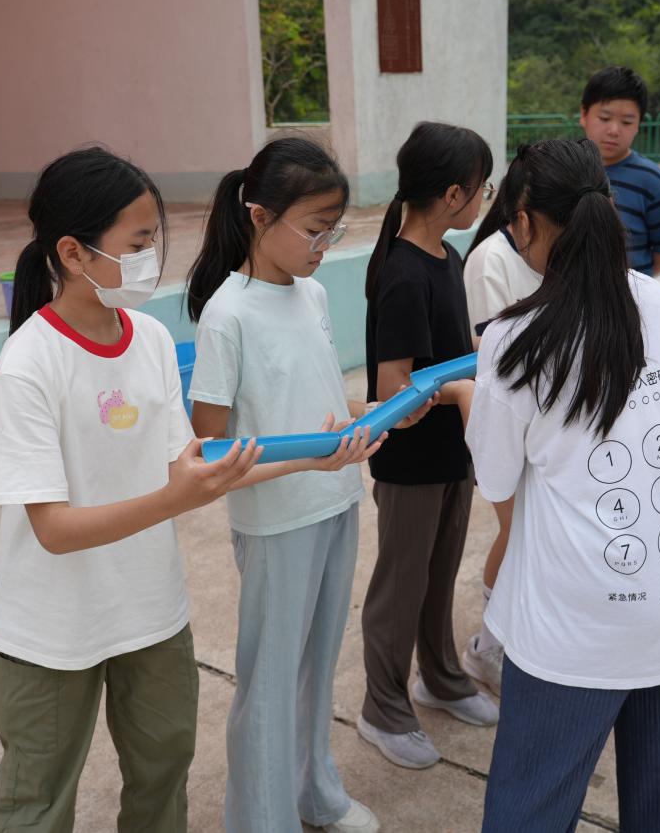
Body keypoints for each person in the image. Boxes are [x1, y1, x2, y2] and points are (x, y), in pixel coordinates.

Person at [0, 147, 270, 832]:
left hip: (150, 611)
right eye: (136, 245)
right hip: (52, 631)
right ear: (72, 253)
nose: (149, 259)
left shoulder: (149, 338)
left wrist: (318, 455)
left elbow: (185, 466)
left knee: (164, 772)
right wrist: (174, 499)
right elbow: (54, 530)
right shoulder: (29, 363)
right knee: (35, 801)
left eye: (151, 242)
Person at [462, 138, 660, 831]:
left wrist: (473, 402)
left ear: (523, 223)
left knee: (531, 805)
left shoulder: (515, 340)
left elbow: (496, 476)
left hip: (582, 614)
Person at [184, 136, 420, 833]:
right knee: (270, 681)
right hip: (278, 519)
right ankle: (261, 818)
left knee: (319, 666)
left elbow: (313, 398)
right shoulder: (228, 314)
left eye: (333, 230)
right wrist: (308, 462)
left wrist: (375, 412)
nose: (324, 245)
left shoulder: (312, 292)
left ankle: (316, 789)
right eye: (315, 229)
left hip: (335, 499)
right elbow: (209, 453)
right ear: (259, 216)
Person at [358, 121, 499, 770]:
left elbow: (453, 347)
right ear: (452, 194)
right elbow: (394, 386)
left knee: (438, 578)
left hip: (451, 452)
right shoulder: (404, 274)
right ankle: (383, 707)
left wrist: (489, 357)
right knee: (400, 588)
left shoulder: (449, 257)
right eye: (481, 188)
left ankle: (440, 678)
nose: (483, 200)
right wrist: (463, 388)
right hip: (410, 461)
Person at [458, 175, 544, 694]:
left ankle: (508, 637)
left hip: (547, 424)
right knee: (517, 532)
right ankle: (488, 647)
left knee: (533, 534)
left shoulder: (550, 250)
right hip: (509, 422)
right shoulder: (491, 260)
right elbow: (494, 356)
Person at [579, 66, 660, 277]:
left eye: (627, 122)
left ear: (639, 125)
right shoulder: (561, 168)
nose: (614, 130)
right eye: (604, 118)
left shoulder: (653, 182)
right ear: (584, 115)